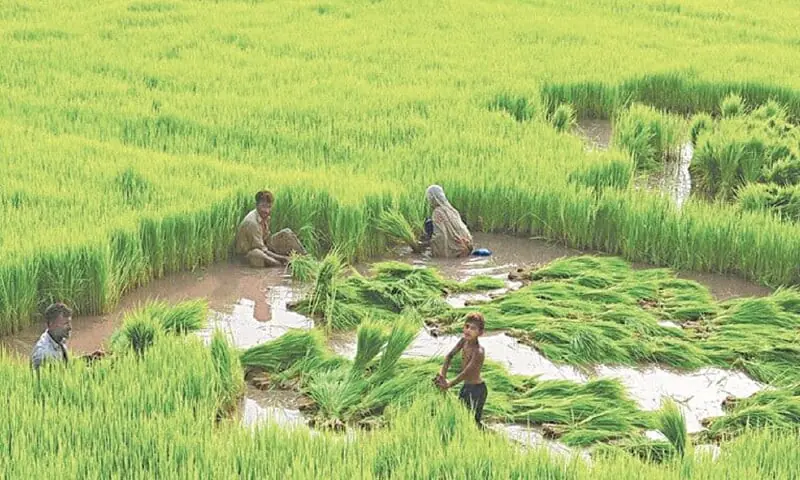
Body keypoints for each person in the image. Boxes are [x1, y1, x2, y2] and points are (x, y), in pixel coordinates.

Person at [435, 312, 487, 426]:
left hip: (477, 390)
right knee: (461, 416)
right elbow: (449, 356)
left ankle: (487, 438)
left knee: (473, 422)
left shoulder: (478, 351)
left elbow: (466, 373)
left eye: (473, 328)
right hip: (466, 386)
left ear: (480, 333)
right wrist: (443, 376)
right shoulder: (463, 341)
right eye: (466, 326)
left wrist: (448, 385)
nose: (468, 330)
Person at [235, 190, 307, 268]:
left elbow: (266, 241)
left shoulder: (264, 216)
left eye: (269, 207)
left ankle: (305, 258)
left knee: (286, 233)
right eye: (263, 206)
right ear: (256, 205)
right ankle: (282, 267)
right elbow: (261, 249)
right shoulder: (252, 223)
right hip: (248, 255)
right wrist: (283, 258)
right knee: (257, 254)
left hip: (263, 246)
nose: (266, 211)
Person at [419, 185, 473, 258]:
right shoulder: (452, 210)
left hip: (454, 252)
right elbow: (463, 229)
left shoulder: (437, 212)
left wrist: (432, 247)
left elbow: (441, 236)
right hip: (465, 247)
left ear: (432, 198)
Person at [31, 303, 72, 370]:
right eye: (65, 323)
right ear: (51, 324)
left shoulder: (59, 340)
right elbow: (47, 380)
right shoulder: (43, 354)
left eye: (70, 322)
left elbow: (63, 367)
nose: (70, 327)